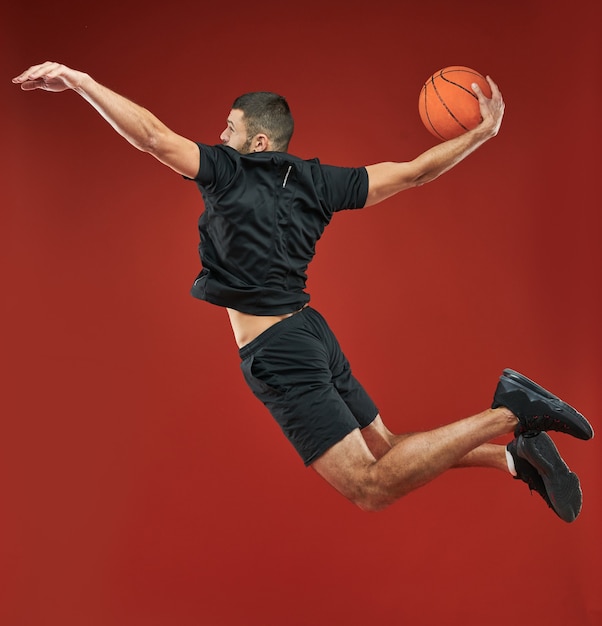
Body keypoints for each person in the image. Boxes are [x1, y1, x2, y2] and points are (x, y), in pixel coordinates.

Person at [13, 61, 594, 523]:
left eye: (230, 129)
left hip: (278, 352)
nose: (219, 136)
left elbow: (150, 137)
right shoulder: (321, 182)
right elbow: (416, 171)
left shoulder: (226, 172)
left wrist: (81, 81)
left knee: (371, 488)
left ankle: (508, 410)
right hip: (311, 332)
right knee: (389, 448)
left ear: (259, 141)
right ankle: (513, 457)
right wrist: (485, 133)